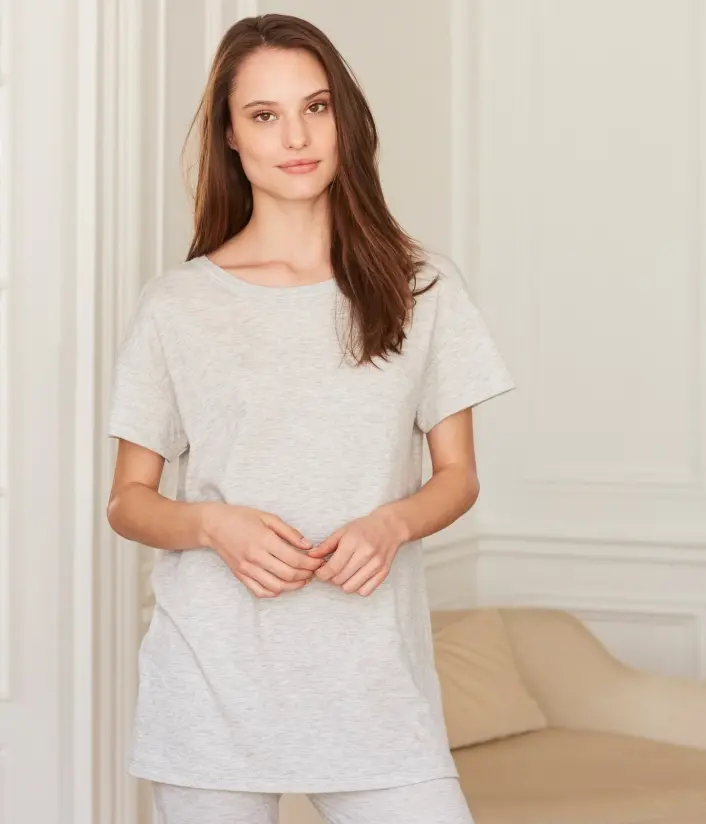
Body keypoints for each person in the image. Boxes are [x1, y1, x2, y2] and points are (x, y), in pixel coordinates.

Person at [106, 12, 515, 824]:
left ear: (343, 118)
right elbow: (128, 501)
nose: (296, 136)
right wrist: (213, 526)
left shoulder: (422, 286)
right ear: (230, 136)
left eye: (315, 107)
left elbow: (459, 476)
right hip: (211, 693)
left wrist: (393, 524)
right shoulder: (178, 304)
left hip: (375, 688)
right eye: (264, 115)